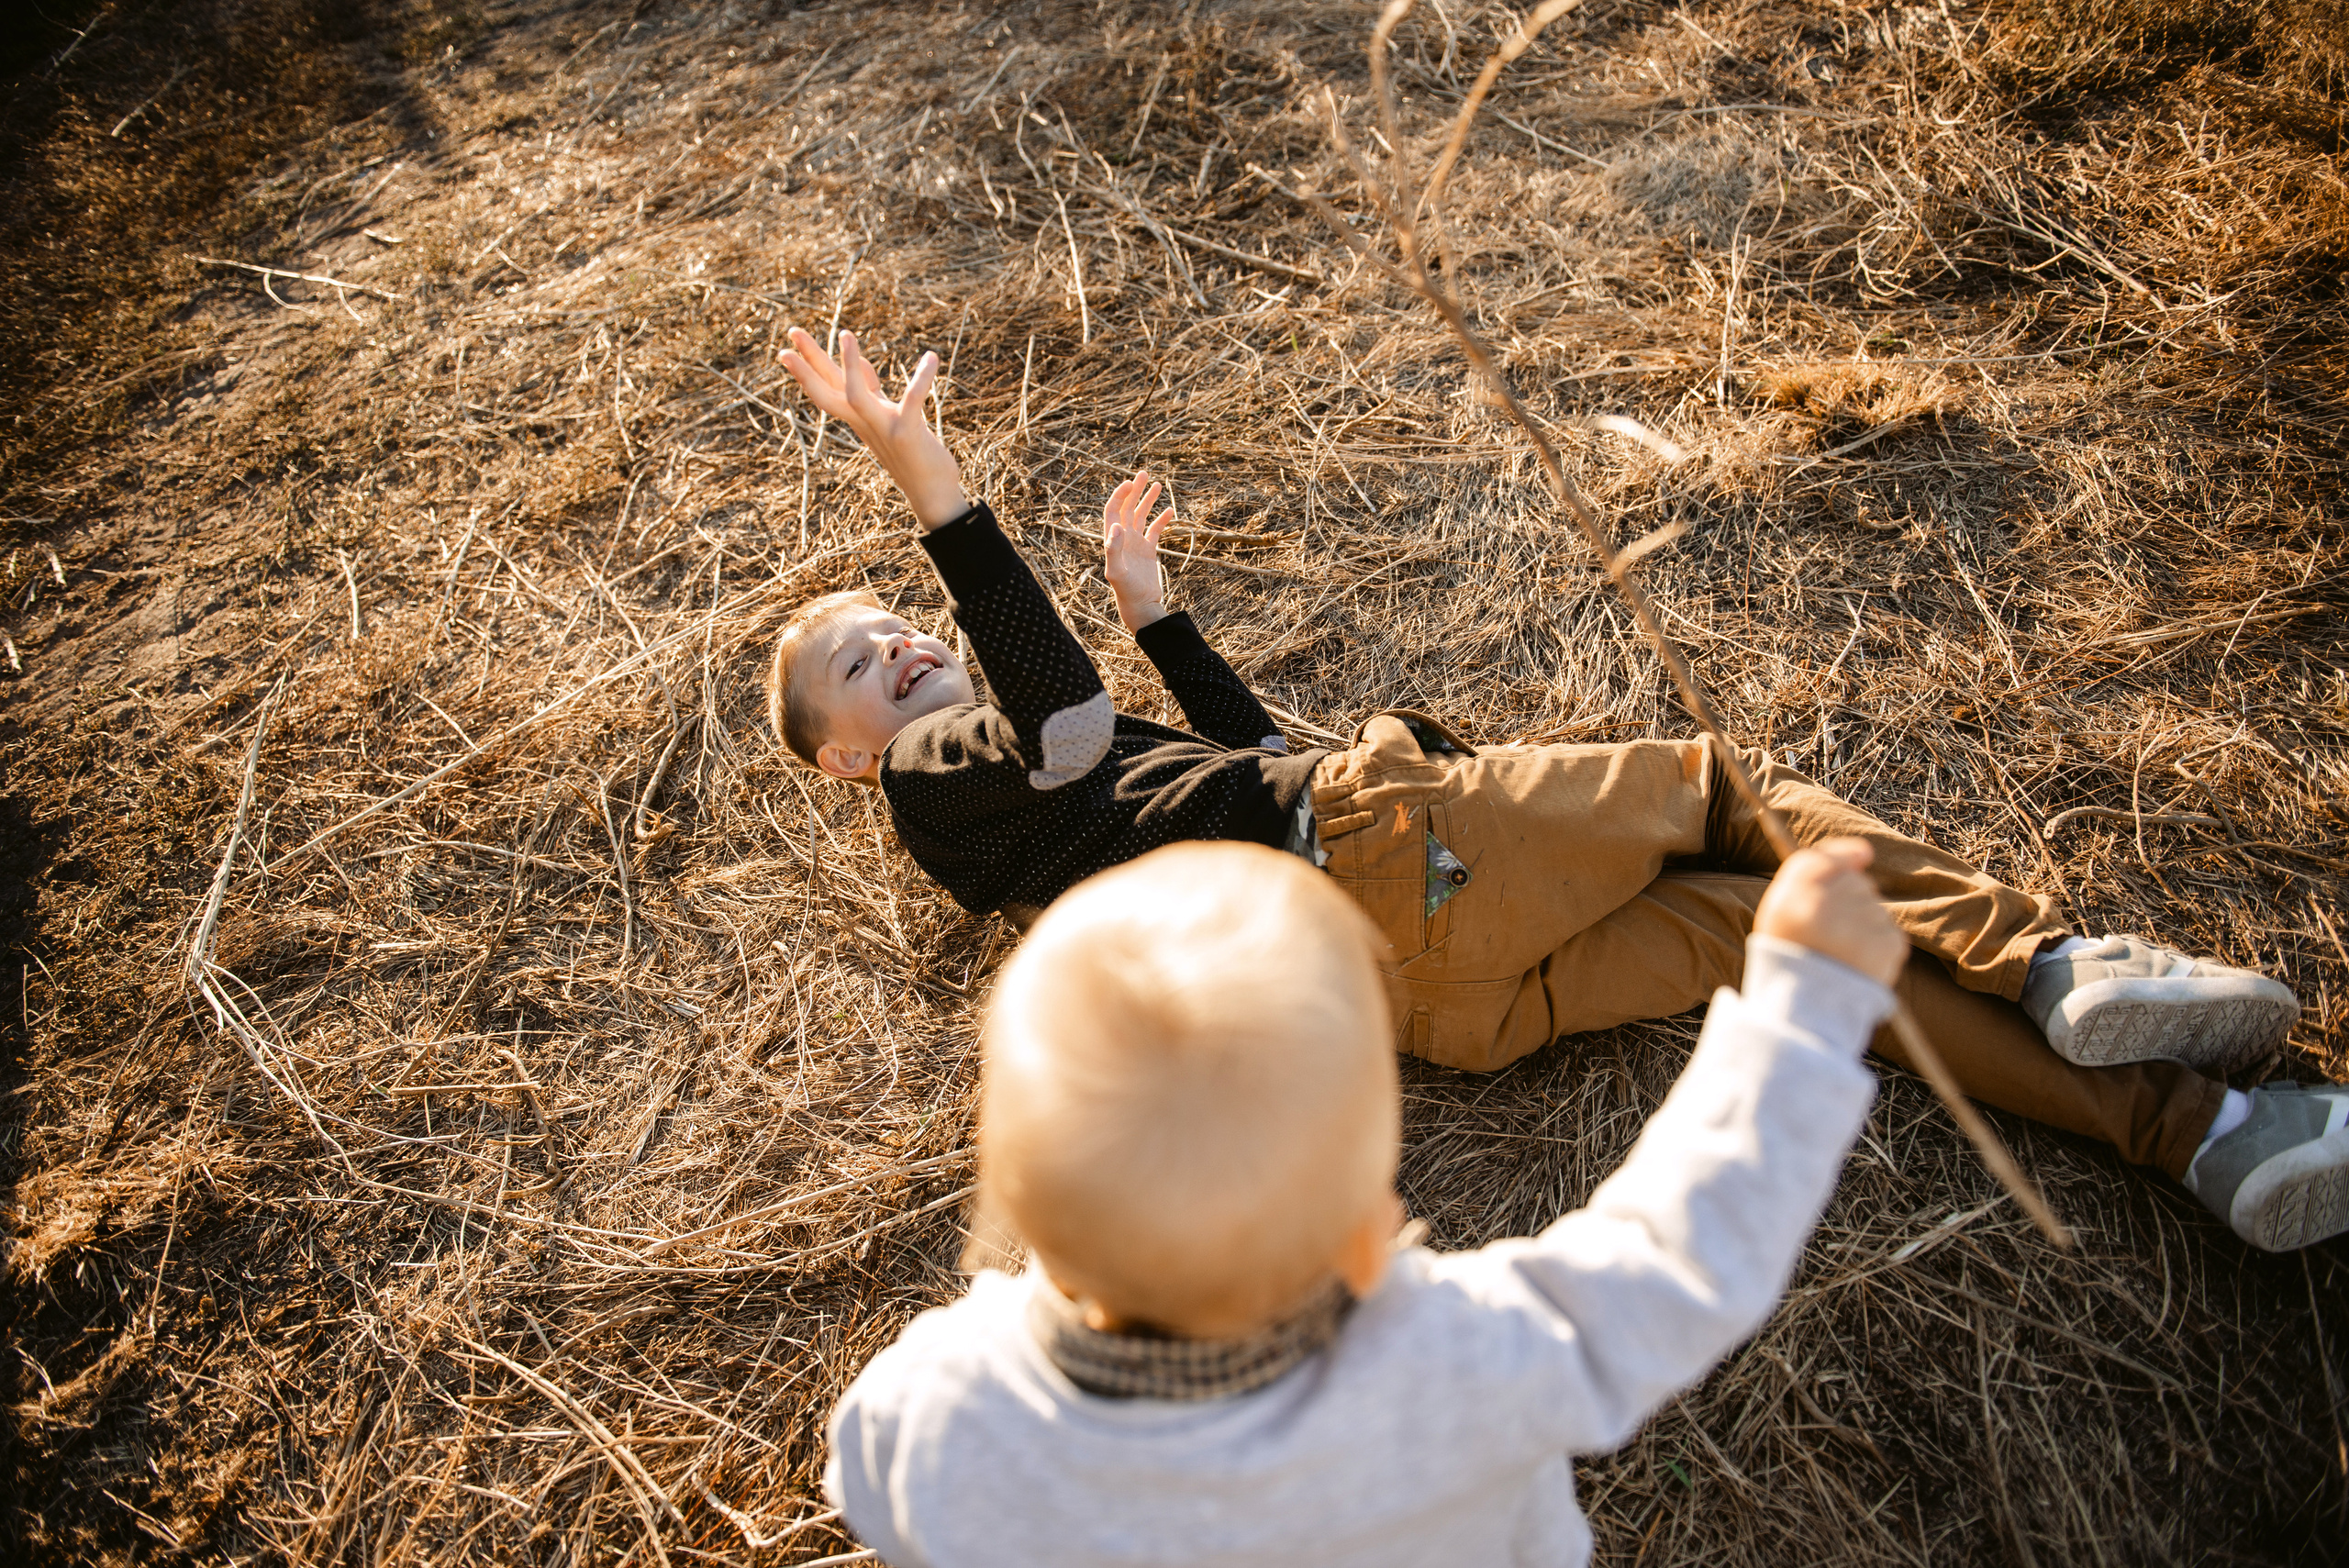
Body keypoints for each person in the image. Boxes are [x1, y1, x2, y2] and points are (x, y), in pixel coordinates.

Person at [768, 326, 2349, 1252]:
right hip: (1397, 854)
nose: (897, 643)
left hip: (1433, 999)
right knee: (1724, 786)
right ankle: (2056, 959)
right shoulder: (934, 784)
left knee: (1804, 945)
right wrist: (934, 488)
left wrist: (1155, 614)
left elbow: (1238, 763)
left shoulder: (1047, 835)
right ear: (846, 752)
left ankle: (2203, 1132)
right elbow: (1061, 728)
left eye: (897, 625)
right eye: (859, 655)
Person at [826, 838, 1912, 1566]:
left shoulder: (935, 1410)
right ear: (1371, 1236)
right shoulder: (1455, 1363)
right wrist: (1803, 1011)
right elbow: (1675, 1256)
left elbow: (865, 1485)